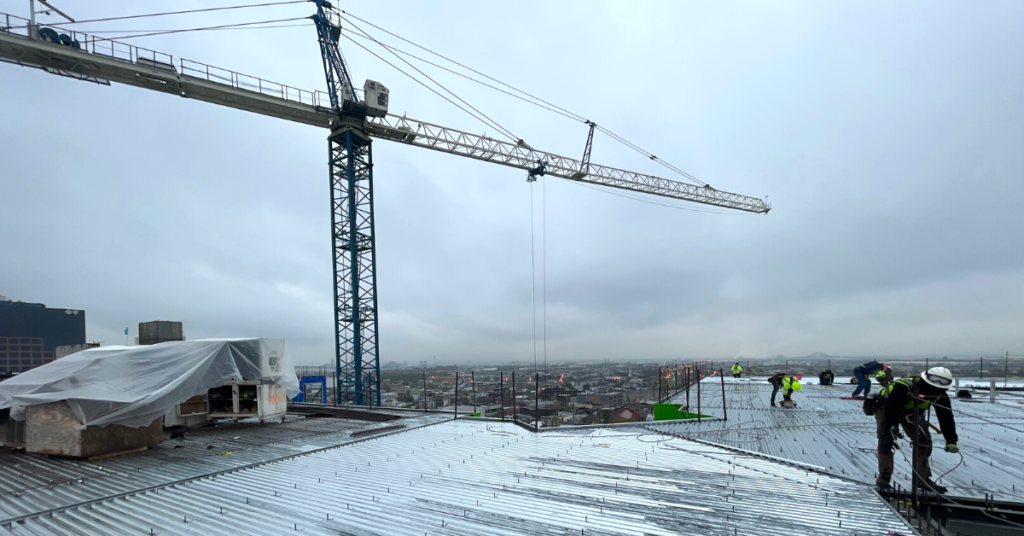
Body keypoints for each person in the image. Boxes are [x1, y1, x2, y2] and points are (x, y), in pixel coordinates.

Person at [875, 367, 959, 493]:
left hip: (912, 414)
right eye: (936, 381)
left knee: (923, 442)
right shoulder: (904, 387)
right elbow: (891, 407)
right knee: (886, 441)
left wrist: (951, 440)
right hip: (886, 409)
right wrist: (892, 425)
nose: (938, 386)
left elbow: (946, 417)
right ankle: (884, 478)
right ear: (926, 379)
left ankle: (922, 479)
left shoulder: (940, 395)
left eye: (943, 383)